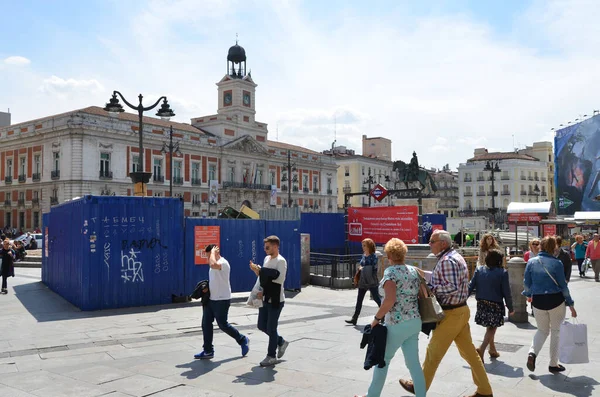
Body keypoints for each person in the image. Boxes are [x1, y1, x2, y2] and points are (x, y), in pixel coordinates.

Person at [399, 230, 493, 397]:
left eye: (432, 241)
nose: (429, 244)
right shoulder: (452, 257)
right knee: (470, 354)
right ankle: (484, 391)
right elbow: (443, 279)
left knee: (433, 352)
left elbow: (450, 287)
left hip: (452, 313)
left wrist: (429, 290)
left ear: (443, 243)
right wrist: (424, 274)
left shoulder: (447, 260)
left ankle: (419, 386)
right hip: (460, 311)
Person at [354, 238, 425, 397]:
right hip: (414, 321)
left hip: (397, 323)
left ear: (389, 256)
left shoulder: (391, 272)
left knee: (383, 361)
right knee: (414, 365)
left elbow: (389, 300)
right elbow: (420, 294)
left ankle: (372, 395)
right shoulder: (413, 271)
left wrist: (376, 319)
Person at [523, 236, 577, 373]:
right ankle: (553, 363)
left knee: (542, 330)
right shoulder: (557, 263)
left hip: (538, 301)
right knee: (556, 331)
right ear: (554, 247)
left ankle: (532, 353)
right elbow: (563, 286)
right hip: (555, 300)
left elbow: (526, 283)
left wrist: (529, 295)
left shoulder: (531, 262)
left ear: (540, 246)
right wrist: (570, 304)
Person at [194, 245, 249, 360]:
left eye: (209, 255)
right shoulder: (213, 264)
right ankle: (208, 350)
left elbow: (213, 265)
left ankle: (242, 339)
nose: (208, 258)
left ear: (215, 252)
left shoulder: (223, 263)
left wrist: (213, 253)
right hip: (211, 299)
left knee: (223, 325)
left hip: (222, 299)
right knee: (206, 324)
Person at [249, 235, 289, 367]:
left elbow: (279, 280)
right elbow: (264, 277)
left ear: (276, 246)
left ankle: (271, 356)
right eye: (265, 247)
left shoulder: (281, 261)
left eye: (268, 247)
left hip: (276, 299)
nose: (265, 249)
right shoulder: (266, 258)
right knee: (261, 325)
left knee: (271, 328)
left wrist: (262, 272)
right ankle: (281, 341)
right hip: (264, 297)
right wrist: (257, 271)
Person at [469, 249, 514, 362]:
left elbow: (470, 286)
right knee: (492, 327)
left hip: (481, 303)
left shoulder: (479, 269)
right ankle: (482, 348)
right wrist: (511, 307)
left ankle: (492, 349)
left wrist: (463, 299)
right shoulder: (502, 272)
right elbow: (506, 292)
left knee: (490, 326)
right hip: (495, 304)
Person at [345, 238, 382, 325]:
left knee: (377, 299)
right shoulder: (363, 255)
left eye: (364, 245)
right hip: (363, 280)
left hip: (371, 281)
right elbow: (361, 265)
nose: (363, 247)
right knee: (359, 300)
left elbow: (375, 269)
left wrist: (363, 268)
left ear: (369, 246)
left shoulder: (374, 256)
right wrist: (360, 269)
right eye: (362, 245)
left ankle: (384, 315)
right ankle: (354, 318)